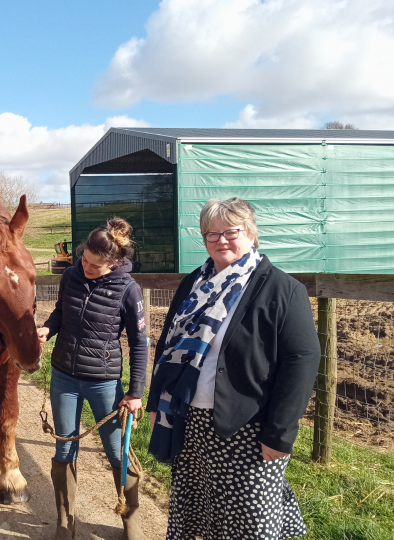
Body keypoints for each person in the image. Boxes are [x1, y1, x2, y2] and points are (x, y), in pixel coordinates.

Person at [147, 198, 321, 540]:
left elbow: (302, 360)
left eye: (230, 232)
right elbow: (169, 344)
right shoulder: (194, 284)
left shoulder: (282, 289)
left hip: (248, 428)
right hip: (192, 421)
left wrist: (280, 434)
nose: (221, 240)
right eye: (211, 234)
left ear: (251, 234)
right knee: (199, 510)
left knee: (250, 519)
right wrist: (157, 402)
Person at [37, 217, 149, 540]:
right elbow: (60, 311)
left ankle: (132, 524)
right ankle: (65, 524)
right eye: (84, 258)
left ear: (114, 263)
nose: (84, 266)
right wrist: (49, 327)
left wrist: (135, 392)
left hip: (104, 382)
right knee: (64, 450)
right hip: (64, 377)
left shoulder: (129, 290)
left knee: (118, 453)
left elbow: (139, 342)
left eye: (94, 265)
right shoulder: (71, 276)